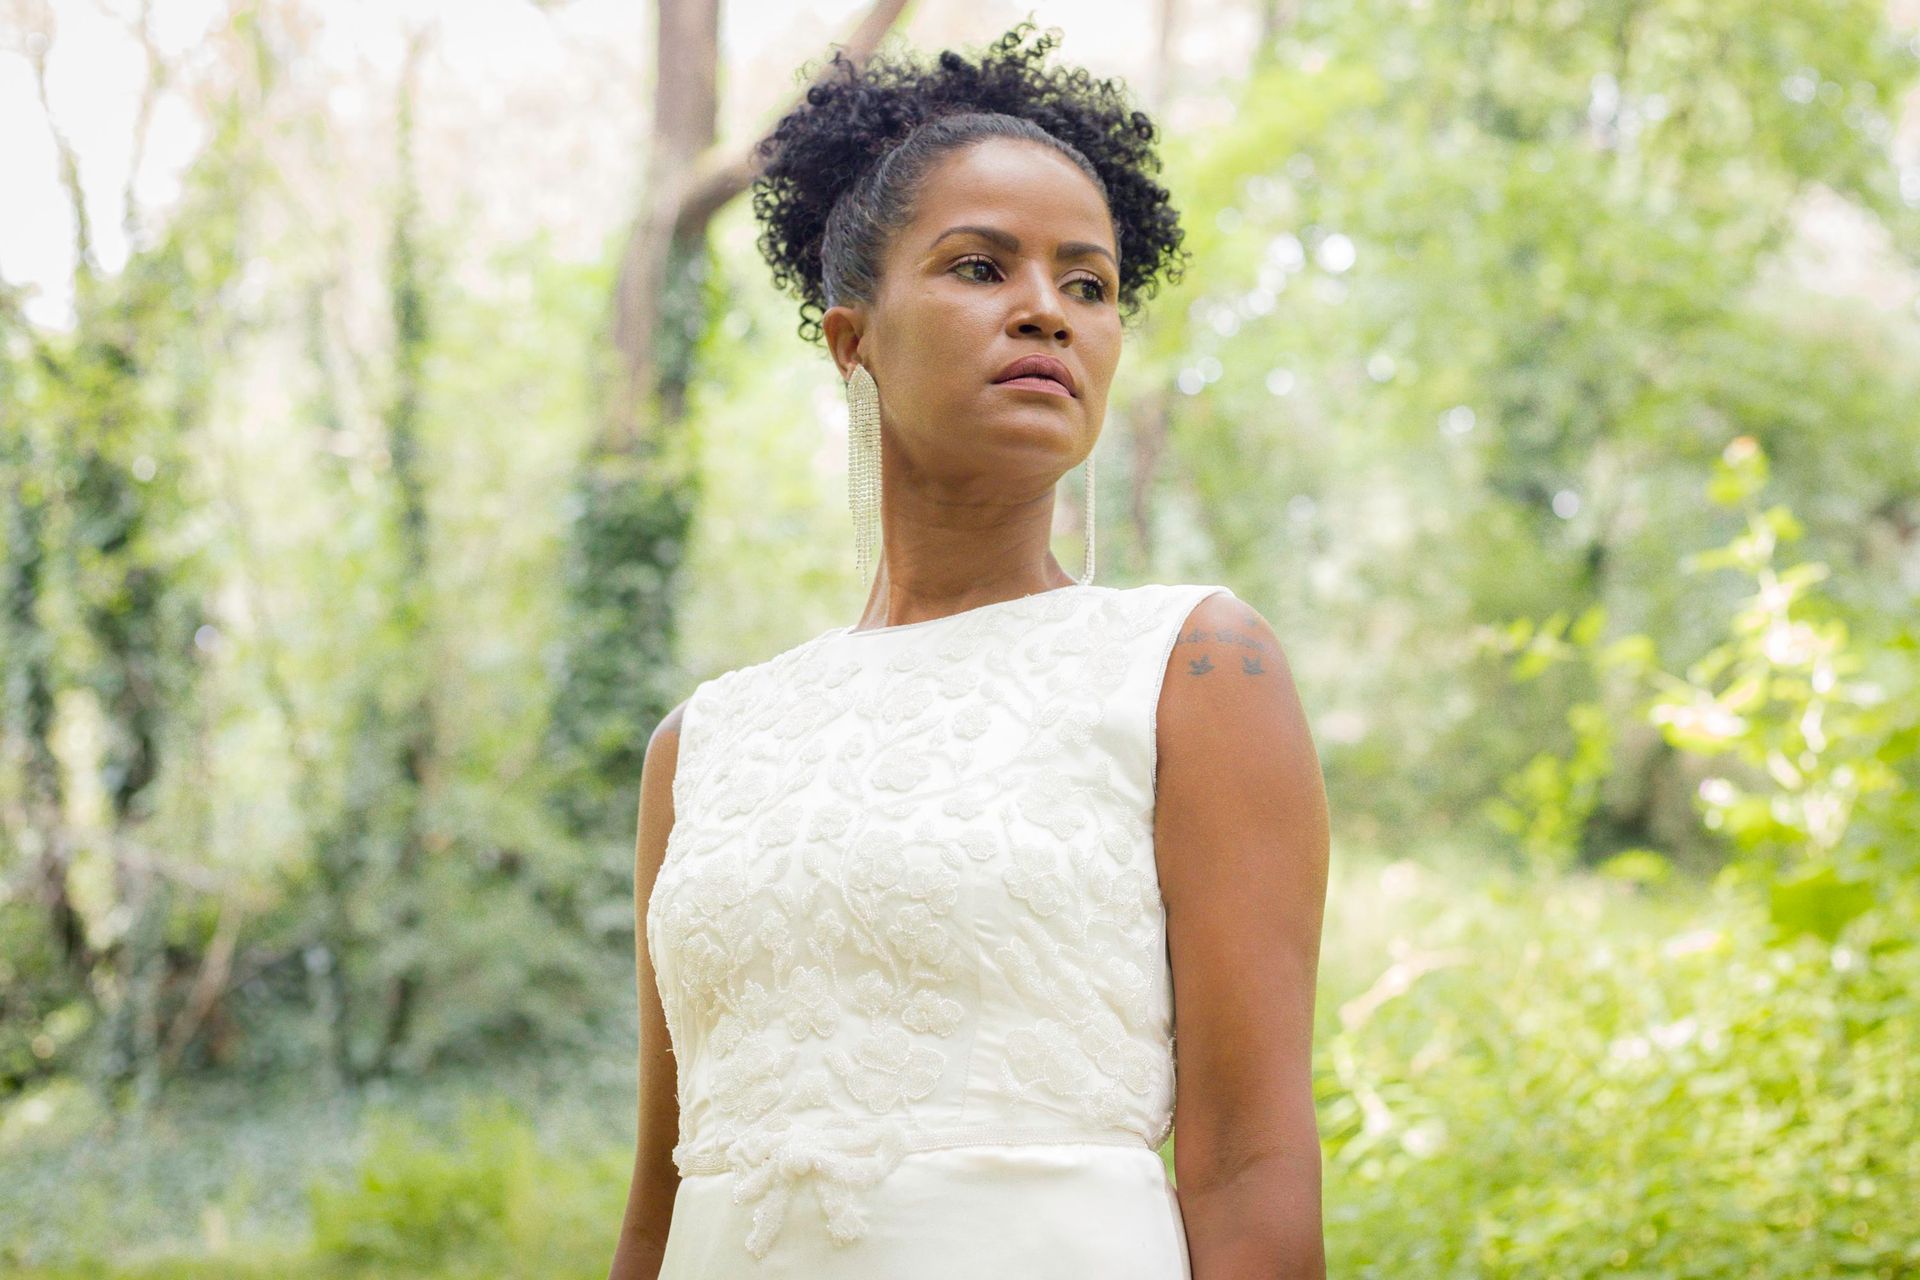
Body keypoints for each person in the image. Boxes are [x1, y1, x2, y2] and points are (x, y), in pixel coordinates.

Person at [608, 21, 1329, 1279]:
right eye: (980, 266)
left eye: (1090, 284)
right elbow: (660, 1197)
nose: (1047, 310)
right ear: (854, 340)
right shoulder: (702, 745)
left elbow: (1250, 1162)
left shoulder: (1196, 667)